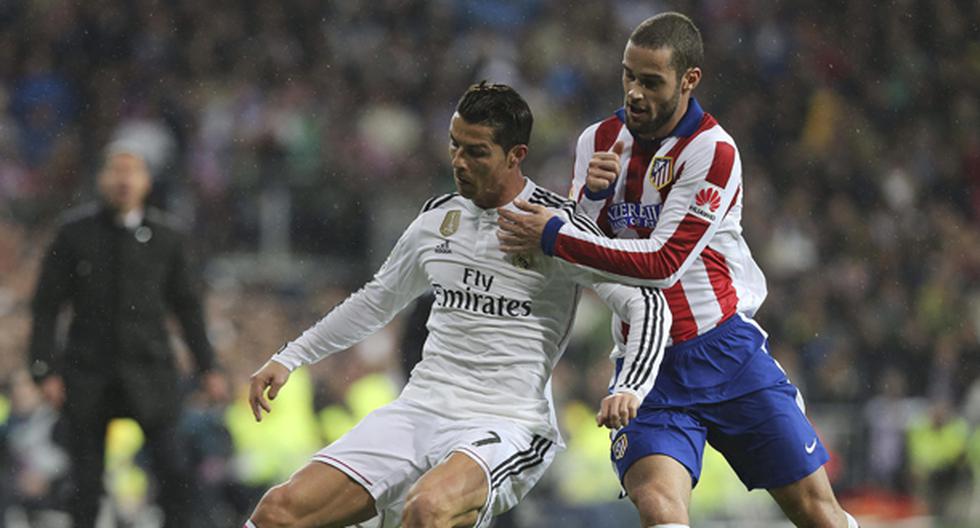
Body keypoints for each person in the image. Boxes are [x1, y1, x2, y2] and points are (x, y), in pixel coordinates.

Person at [244, 82, 670, 528]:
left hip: (506, 423)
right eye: (454, 145)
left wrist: (630, 386)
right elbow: (375, 301)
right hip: (418, 409)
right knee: (278, 513)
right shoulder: (436, 220)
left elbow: (647, 301)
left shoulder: (555, 226)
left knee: (428, 509)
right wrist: (290, 357)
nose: (459, 162)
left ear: (515, 155)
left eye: (477, 152)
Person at [496, 12, 859, 528]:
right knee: (662, 510)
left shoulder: (713, 151)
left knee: (818, 515)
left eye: (651, 81)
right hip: (649, 365)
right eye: (628, 75)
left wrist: (554, 233)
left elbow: (664, 264)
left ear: (689, 80)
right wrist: (589, 201)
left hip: (726, 352)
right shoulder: (596, 140)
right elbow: (588, 254)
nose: (634, 93)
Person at [27, 141, 227, 528]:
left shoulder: (168, 237)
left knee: (174, 471)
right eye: (116, 170)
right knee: (84, 482)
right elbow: (46, 306)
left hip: (151, 371)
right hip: (87, 372)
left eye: (132, 171)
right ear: (101, 178)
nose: (124, 180)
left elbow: (188, 308)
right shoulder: (74, 234)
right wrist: (43, 369)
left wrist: (209, 367)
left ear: (147, 181)